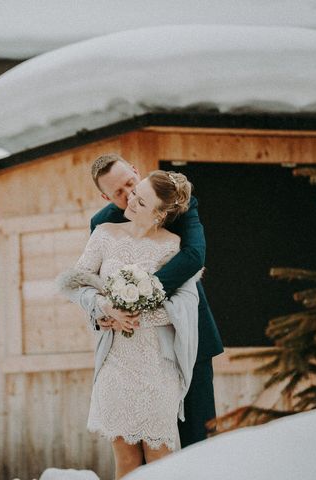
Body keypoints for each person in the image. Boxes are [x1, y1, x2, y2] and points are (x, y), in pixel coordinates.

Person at [58, 170, 201, 479]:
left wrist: (139, 309)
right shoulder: (104, 233)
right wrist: (103, 306)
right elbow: (74, 284)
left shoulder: (174, 248)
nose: (131, 200)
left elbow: (188, 306)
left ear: (160, 213)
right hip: (116, 364)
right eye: (135, 193)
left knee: (160, 459)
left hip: (158, 368)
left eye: (142, 200)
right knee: (125, 462)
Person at [90, 154, 223, 447]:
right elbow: (94, 282)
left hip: (190, 337)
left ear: (136, 170)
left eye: (130, 183)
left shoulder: (176, 202)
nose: (128, 196)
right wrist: (101, 313)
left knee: (197, 440)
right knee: (146, 448)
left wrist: (139, 296)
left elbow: (194, 256)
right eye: (118, 193)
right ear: (105, 196)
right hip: (135, 357)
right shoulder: (102, 226)